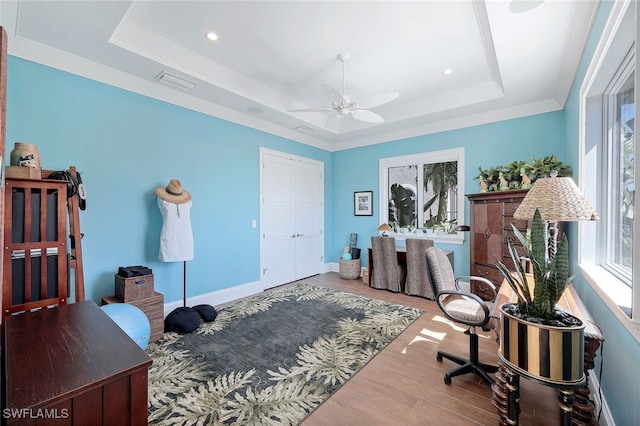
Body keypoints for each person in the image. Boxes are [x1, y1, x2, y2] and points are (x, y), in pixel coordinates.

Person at [155, 179, 194, 262]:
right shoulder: (162, 200)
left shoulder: (188, 202)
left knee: (186, 255)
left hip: (186, 236)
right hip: (169, 235)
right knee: (168, 252)